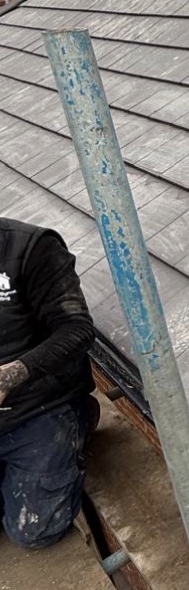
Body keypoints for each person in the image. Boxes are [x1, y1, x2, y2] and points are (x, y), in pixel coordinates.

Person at [0, 217, 96, 549]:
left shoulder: (28, 247)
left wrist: (9, 377)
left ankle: (81, 421)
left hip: (38, 406)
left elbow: (77, 329)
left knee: (34, 531)